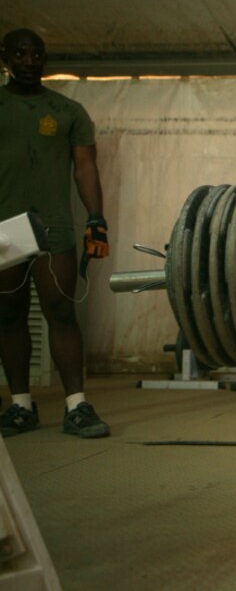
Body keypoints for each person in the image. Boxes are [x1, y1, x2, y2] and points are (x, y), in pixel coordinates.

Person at [0, 28, 111, 439]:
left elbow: (85, 168)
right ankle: (21, 407)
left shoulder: (68, 111)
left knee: (60, 312)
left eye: (37, 54)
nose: (30, 61)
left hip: (53, 227)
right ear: (6, 59)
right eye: (21, 53)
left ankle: (77, 407)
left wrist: (95, 217)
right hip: (3, 229)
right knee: (8, 316)